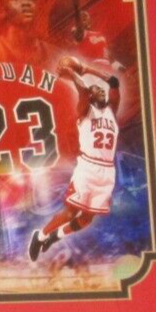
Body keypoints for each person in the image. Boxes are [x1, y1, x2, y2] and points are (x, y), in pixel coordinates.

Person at [28, 57, 120, 260]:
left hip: (107, 171)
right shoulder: (85, 111)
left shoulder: (111, 111)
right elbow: (84, 92)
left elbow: (114, 82)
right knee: (71, 213)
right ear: (91, 96)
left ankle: (55, 236)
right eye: (97, 89)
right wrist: (73, 73)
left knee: (86, 219)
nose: (101, 90)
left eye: (102, 89)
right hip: (88, 167)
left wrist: (87, 69)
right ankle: (40, 236)